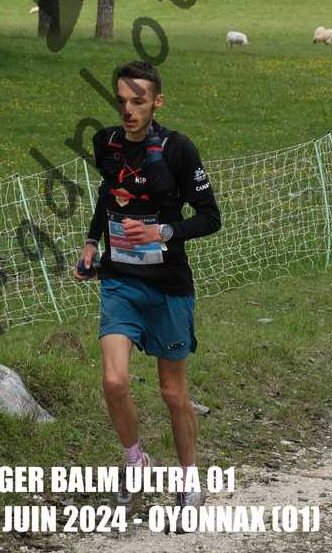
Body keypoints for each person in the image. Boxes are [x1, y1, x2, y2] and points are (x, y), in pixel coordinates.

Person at [74, 59, 222, 527]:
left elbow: (210, 217)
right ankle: (136, 460)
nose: (128, 110)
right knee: (114, 381)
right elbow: (109, 194)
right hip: (119, 280)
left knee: (172, 393)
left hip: (168, 286)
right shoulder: (106, 143)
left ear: (157, 102)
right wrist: (91, 242)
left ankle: (189, 479)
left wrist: (163, 232)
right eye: (121, 101)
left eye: (137, 101)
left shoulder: (179, 149)